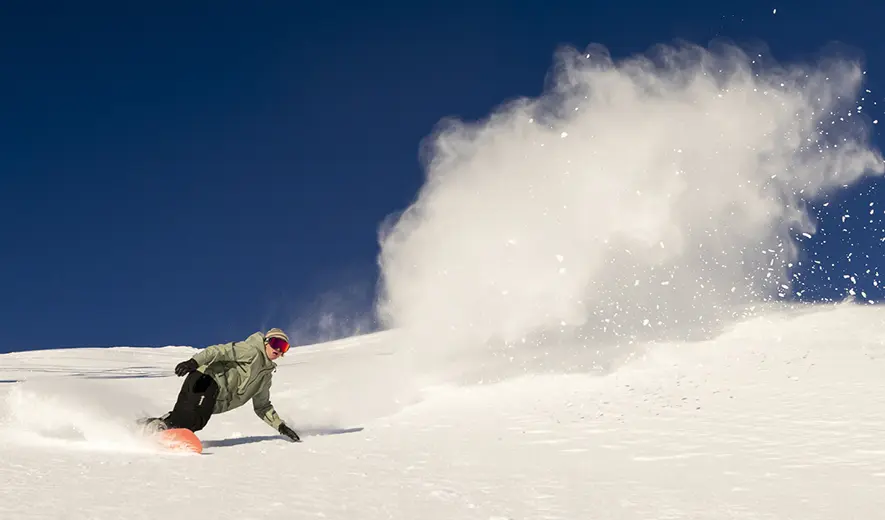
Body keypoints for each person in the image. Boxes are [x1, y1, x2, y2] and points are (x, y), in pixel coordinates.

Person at [140, 327, 301, 442]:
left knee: (185, 417)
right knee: (196, 418)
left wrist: (280, 426)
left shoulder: (265, 379)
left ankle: (148, 426)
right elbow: (220, 351)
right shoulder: (251, 351)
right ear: (266, 342)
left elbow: (262, 406)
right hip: (208, 379)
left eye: (283, 347)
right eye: (275, 343)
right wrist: (194, 361)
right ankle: (164, 432)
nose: (278, 350)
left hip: (212, 395)